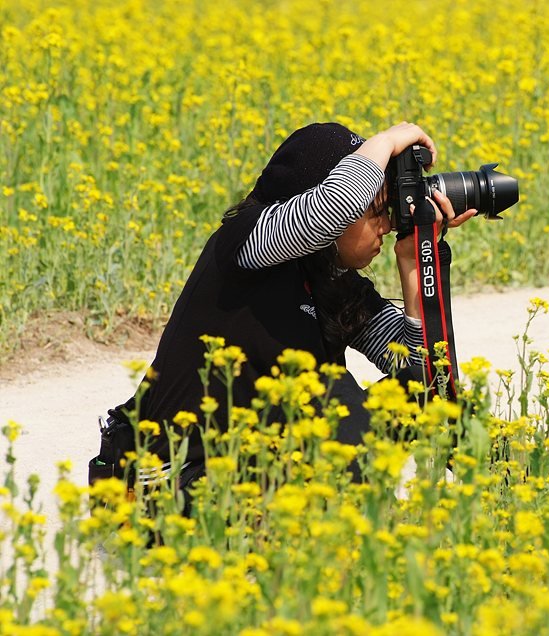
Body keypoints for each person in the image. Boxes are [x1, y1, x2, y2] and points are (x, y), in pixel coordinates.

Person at [93, 121, 477, 501]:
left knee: (420, 394)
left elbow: (426, 373)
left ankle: (496, 493)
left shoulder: (334, 282)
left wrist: (413, 260)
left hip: (259, 467)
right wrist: (387, 141)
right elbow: (331, 209)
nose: (387, 225)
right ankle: (359, 520)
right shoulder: (245, 242)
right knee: (332, 397)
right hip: (178, 482)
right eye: (375, 209)